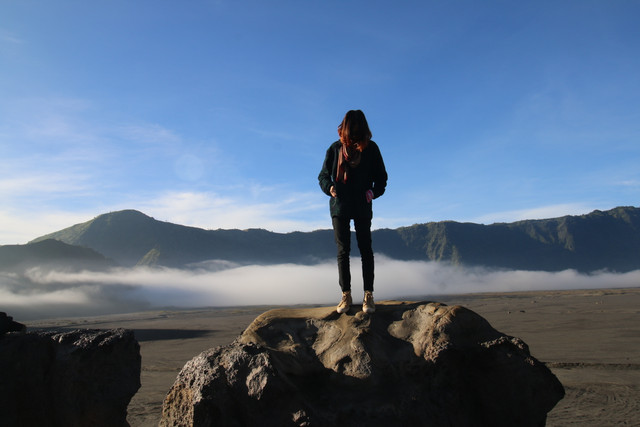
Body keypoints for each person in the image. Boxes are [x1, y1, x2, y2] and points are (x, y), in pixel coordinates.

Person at [318, 110, 388, 314]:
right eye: (353, 127)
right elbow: (322, 176)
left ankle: (368, 295)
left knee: (366, 250)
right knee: (343, 252)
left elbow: (382, 179)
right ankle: (345, 295)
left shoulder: (371, 149)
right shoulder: (335, 148)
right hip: (340, 206)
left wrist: (372, 192)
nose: (356, 132)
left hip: (362, 206)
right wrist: (329, 187)